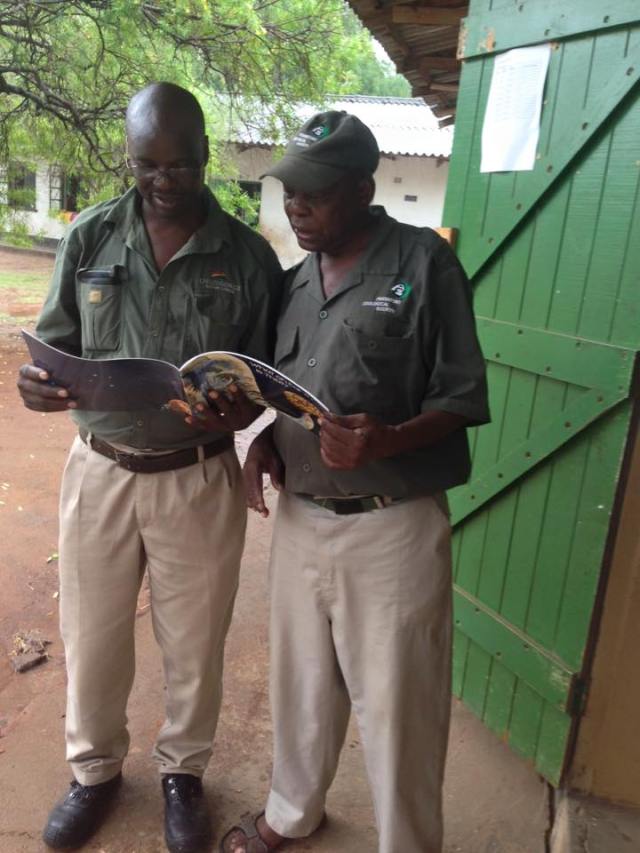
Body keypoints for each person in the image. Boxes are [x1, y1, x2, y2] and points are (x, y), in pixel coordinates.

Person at [17, 82, 281, 853]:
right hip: (98, 469)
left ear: (207, 157)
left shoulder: (248, 257)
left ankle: (182, 773)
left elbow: (266, 376)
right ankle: (94, 772)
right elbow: (53, 343)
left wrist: (243, 410)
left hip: (197, 477)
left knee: (194, 639)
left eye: (182, 164)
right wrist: (37, 384)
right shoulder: (91, 237)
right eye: (147, 164)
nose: (164, 180)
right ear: (129, 158)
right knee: (92, 633)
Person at [218, 111, 490, 853]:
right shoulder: (294, 280)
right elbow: (286, 387)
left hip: (391, 524)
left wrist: (390, 437)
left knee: (398, 706)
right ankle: (292, 809)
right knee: (301, 682)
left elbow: (463, 396)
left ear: (364, 189)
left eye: (314, 194)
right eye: (289, 193)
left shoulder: (424, 266)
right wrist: (265, 446)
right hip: (304, 519)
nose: (296, 208)